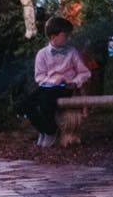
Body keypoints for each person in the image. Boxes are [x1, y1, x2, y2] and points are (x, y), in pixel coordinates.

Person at [19, 17, 91, 148]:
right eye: (65, 35)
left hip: (65, 87)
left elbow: (84, 73)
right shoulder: (42, 54)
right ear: (53, 37)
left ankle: (50, 132)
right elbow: (39, 77)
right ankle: (45, 130)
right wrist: (53, 80)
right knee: (25, 104)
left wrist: (74, 82)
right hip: (47, 86)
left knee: (46, 101)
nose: (68, 38)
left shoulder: (72, 52)